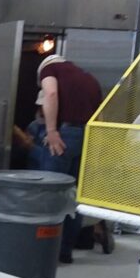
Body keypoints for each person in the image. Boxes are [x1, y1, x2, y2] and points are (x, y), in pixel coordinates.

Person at [36, 54, 111, 263]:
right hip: (88, 137)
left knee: (51, 193)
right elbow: (101, 114)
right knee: (73, 196)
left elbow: (50, 93)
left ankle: (44, 251)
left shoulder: (50, 70)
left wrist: (51, 131)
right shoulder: (89, 79)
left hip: (65, 135)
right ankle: (64, 251)